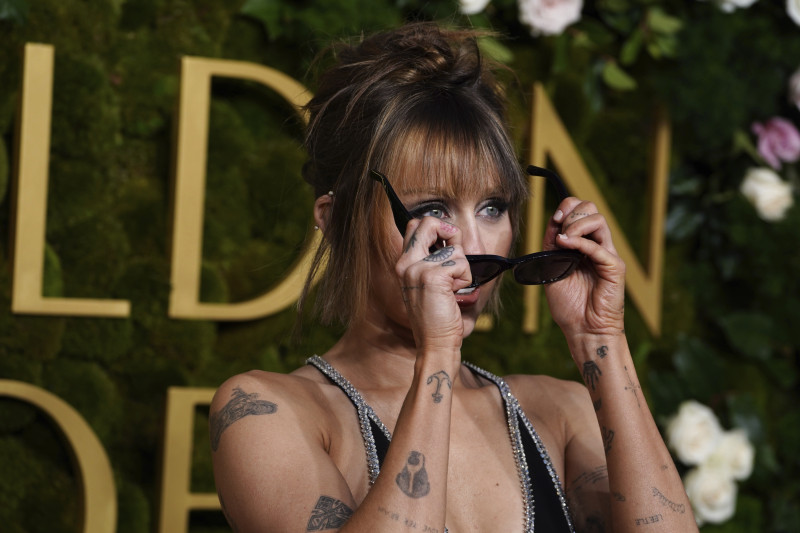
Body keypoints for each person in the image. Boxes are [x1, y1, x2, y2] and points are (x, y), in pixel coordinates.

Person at [209, 22, 698, 533]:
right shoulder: (267, 414)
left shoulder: (559, 413)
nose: (474, 246)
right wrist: (437, 355)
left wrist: (600, 340)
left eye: (492, 207)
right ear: (335, 222)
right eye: (433, 208)